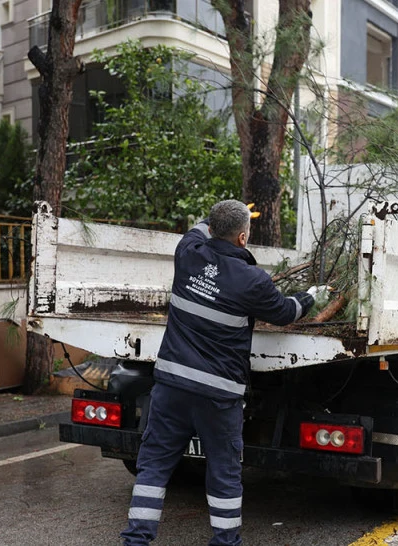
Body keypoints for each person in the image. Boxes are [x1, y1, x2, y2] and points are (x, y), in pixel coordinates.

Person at [120, 200, 318, 546]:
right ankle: (225, 543)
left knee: (153, 467)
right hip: (218, 396)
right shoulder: (252, 280)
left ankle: (136, 541)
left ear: (211, 229)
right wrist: (311, 296)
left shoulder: (188, 254)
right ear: (243, 238)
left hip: (171, 387)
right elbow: (285, 312)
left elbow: (198, 229)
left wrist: (224, 213)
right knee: (224, 473)